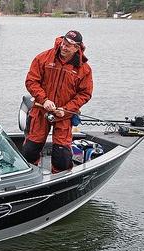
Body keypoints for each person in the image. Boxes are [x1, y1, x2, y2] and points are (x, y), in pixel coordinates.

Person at [22, 30, 93, 173]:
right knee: (30, 149)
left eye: (68, 46)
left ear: (77, 48)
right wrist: (44, 99)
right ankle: (29, 175)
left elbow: (85, 93)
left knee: (62, 156)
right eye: (63, 43)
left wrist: (66, 108)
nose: (64, 47)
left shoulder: (84, 69)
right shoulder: (43, 58)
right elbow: (31, 81)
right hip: (41, 110)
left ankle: (60, 179)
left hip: (64, 115)